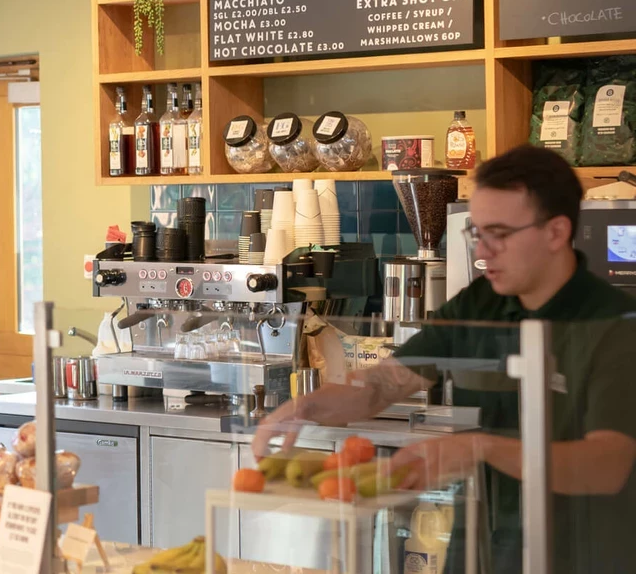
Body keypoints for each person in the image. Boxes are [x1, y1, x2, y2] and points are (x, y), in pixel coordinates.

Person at [254, 145, 636, 573]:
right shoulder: (481, 304)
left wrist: (479, 448)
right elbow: (385, 384)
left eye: (500, 234)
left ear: (555, 232)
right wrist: (305, 407)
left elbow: (607, 465)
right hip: (484, 546)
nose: (483, 251)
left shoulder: (614, 324)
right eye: (477, 234)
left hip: (580, 552)